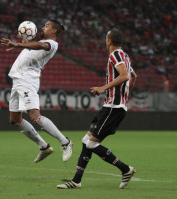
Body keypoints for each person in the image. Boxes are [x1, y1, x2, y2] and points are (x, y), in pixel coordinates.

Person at [57, 28, 138, 189]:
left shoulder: (115, 55)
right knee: (86, 141)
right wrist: (125, 96)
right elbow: (133, 76)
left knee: (92, 144)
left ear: (109, 41)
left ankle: (125, 169)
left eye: (106, 38)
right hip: (111, 105)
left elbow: (125, 76)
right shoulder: (125, 56)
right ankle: (77, 181)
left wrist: (103, 88)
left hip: (113, 107)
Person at [0, 19, 73, 163]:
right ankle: (43, 146)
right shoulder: (35, 43)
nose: (43, 27)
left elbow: (41, 45)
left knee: (34, 116)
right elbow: (35, 45)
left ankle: (65, 142)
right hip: (17, 80)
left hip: (27, 80)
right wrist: (21, 45)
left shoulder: (52, 44)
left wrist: (18, 44)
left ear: (54, 31)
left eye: (47, 26)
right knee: (14, 120)